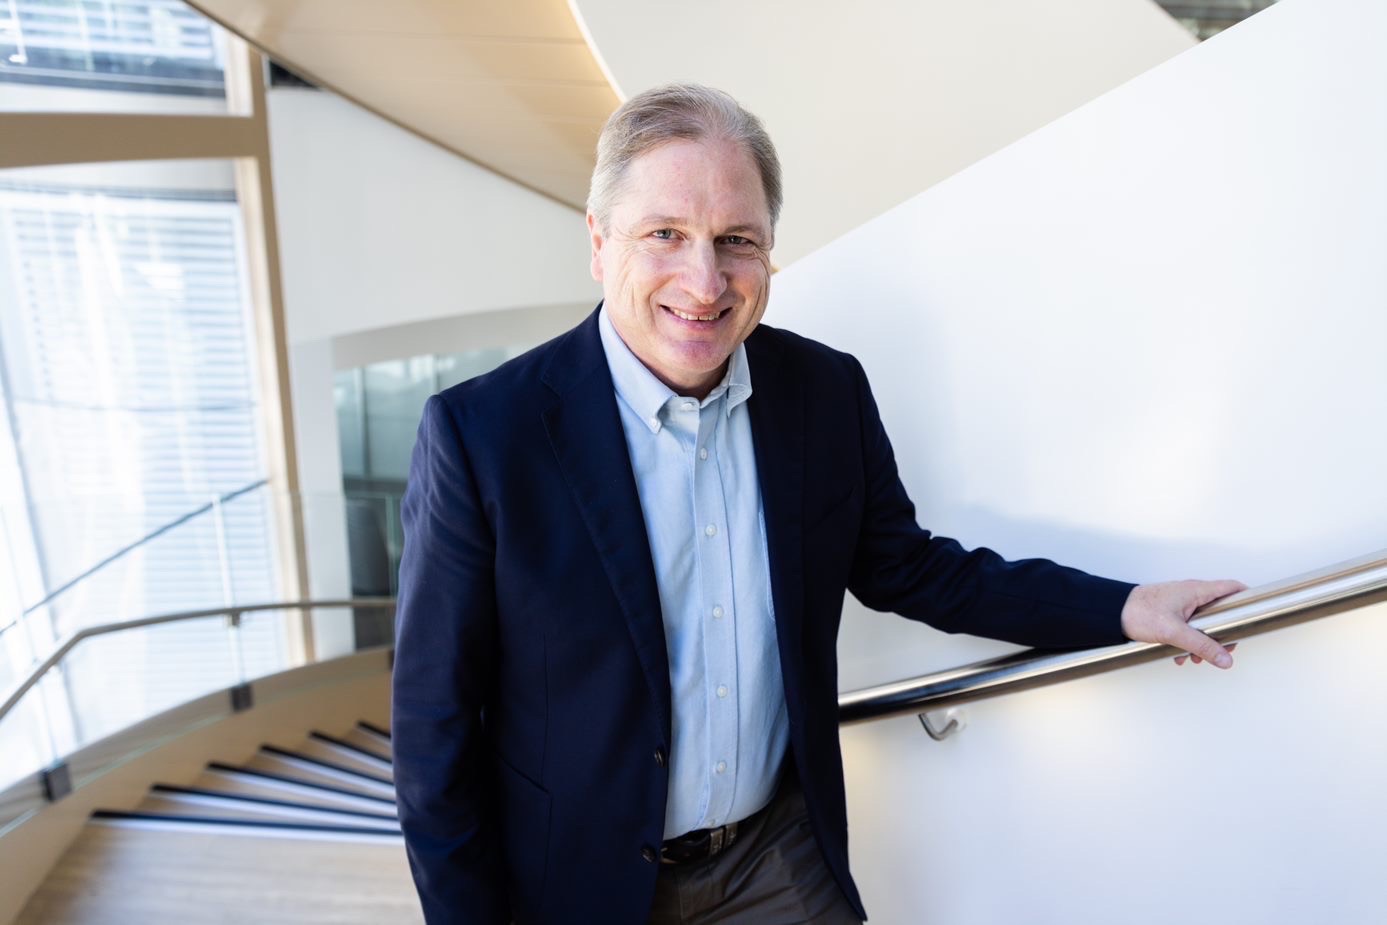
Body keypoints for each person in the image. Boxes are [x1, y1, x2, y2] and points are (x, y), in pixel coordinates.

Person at [391, 83, 1243, 925]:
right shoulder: (482, 434)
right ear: (598, 242)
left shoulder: (823, 391)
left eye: (736, 240)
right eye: (665, 234)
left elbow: (913, 569)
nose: (704, 279)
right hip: (577, 887)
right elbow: (434, 724)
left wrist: (1121, 607)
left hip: (774, 863)